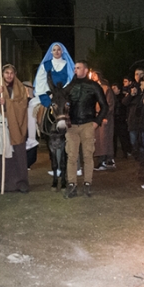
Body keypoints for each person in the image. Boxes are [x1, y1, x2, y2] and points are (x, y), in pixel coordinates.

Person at [64, 60, 109, 198]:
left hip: (87, 125)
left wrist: (96, 122)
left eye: (78, 68)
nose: (75, 70)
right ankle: (72, 184)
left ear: (85, 70)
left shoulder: (94, 86)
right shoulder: (70, 86)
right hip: (71, 126)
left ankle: (87, 183)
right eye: (75, 68)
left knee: (88, 155)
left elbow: (104, 106)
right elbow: (62, 104)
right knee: (72, 156)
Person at [0, 64, 30, 194]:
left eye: (11, 73)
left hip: (15, 126)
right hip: (0, 126)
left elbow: (22, 105)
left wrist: (7, 104)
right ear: (2, 74)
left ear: (14, 74)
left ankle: (19, 183)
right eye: (6, 73)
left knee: (17, 156)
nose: (9, 75)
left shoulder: (20, 88)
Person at [33, 42, 75, 107]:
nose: (56, 52)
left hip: (65, 93)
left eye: (58, 49)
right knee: (31, 105)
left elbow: (70, 79)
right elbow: (41, 81)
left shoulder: (67, 65)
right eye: (54, 50)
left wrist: (63, 92)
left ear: (62, 51)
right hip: (49, 94)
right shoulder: (45, 65)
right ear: (51, 52)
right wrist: (48, 92)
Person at [91, 71, 115, 170]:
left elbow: (109, 104)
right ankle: (101, 160)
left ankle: (106, 160)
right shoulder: (94, 88)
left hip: (104, 117)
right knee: (98, 140)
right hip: (96, 117)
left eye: (94, 75)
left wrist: (104, 115)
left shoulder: (106, 88)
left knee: (105, 139)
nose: (93, 77)